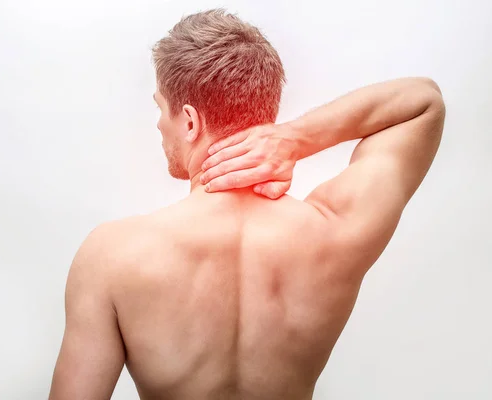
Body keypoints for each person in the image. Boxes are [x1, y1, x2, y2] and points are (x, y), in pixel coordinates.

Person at [48, 8, 445, 400]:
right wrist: (298, 137)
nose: (158, 123)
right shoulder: (334, 229)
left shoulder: (111, 256)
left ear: (189, 121)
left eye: (160, 106)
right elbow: (423, 102)